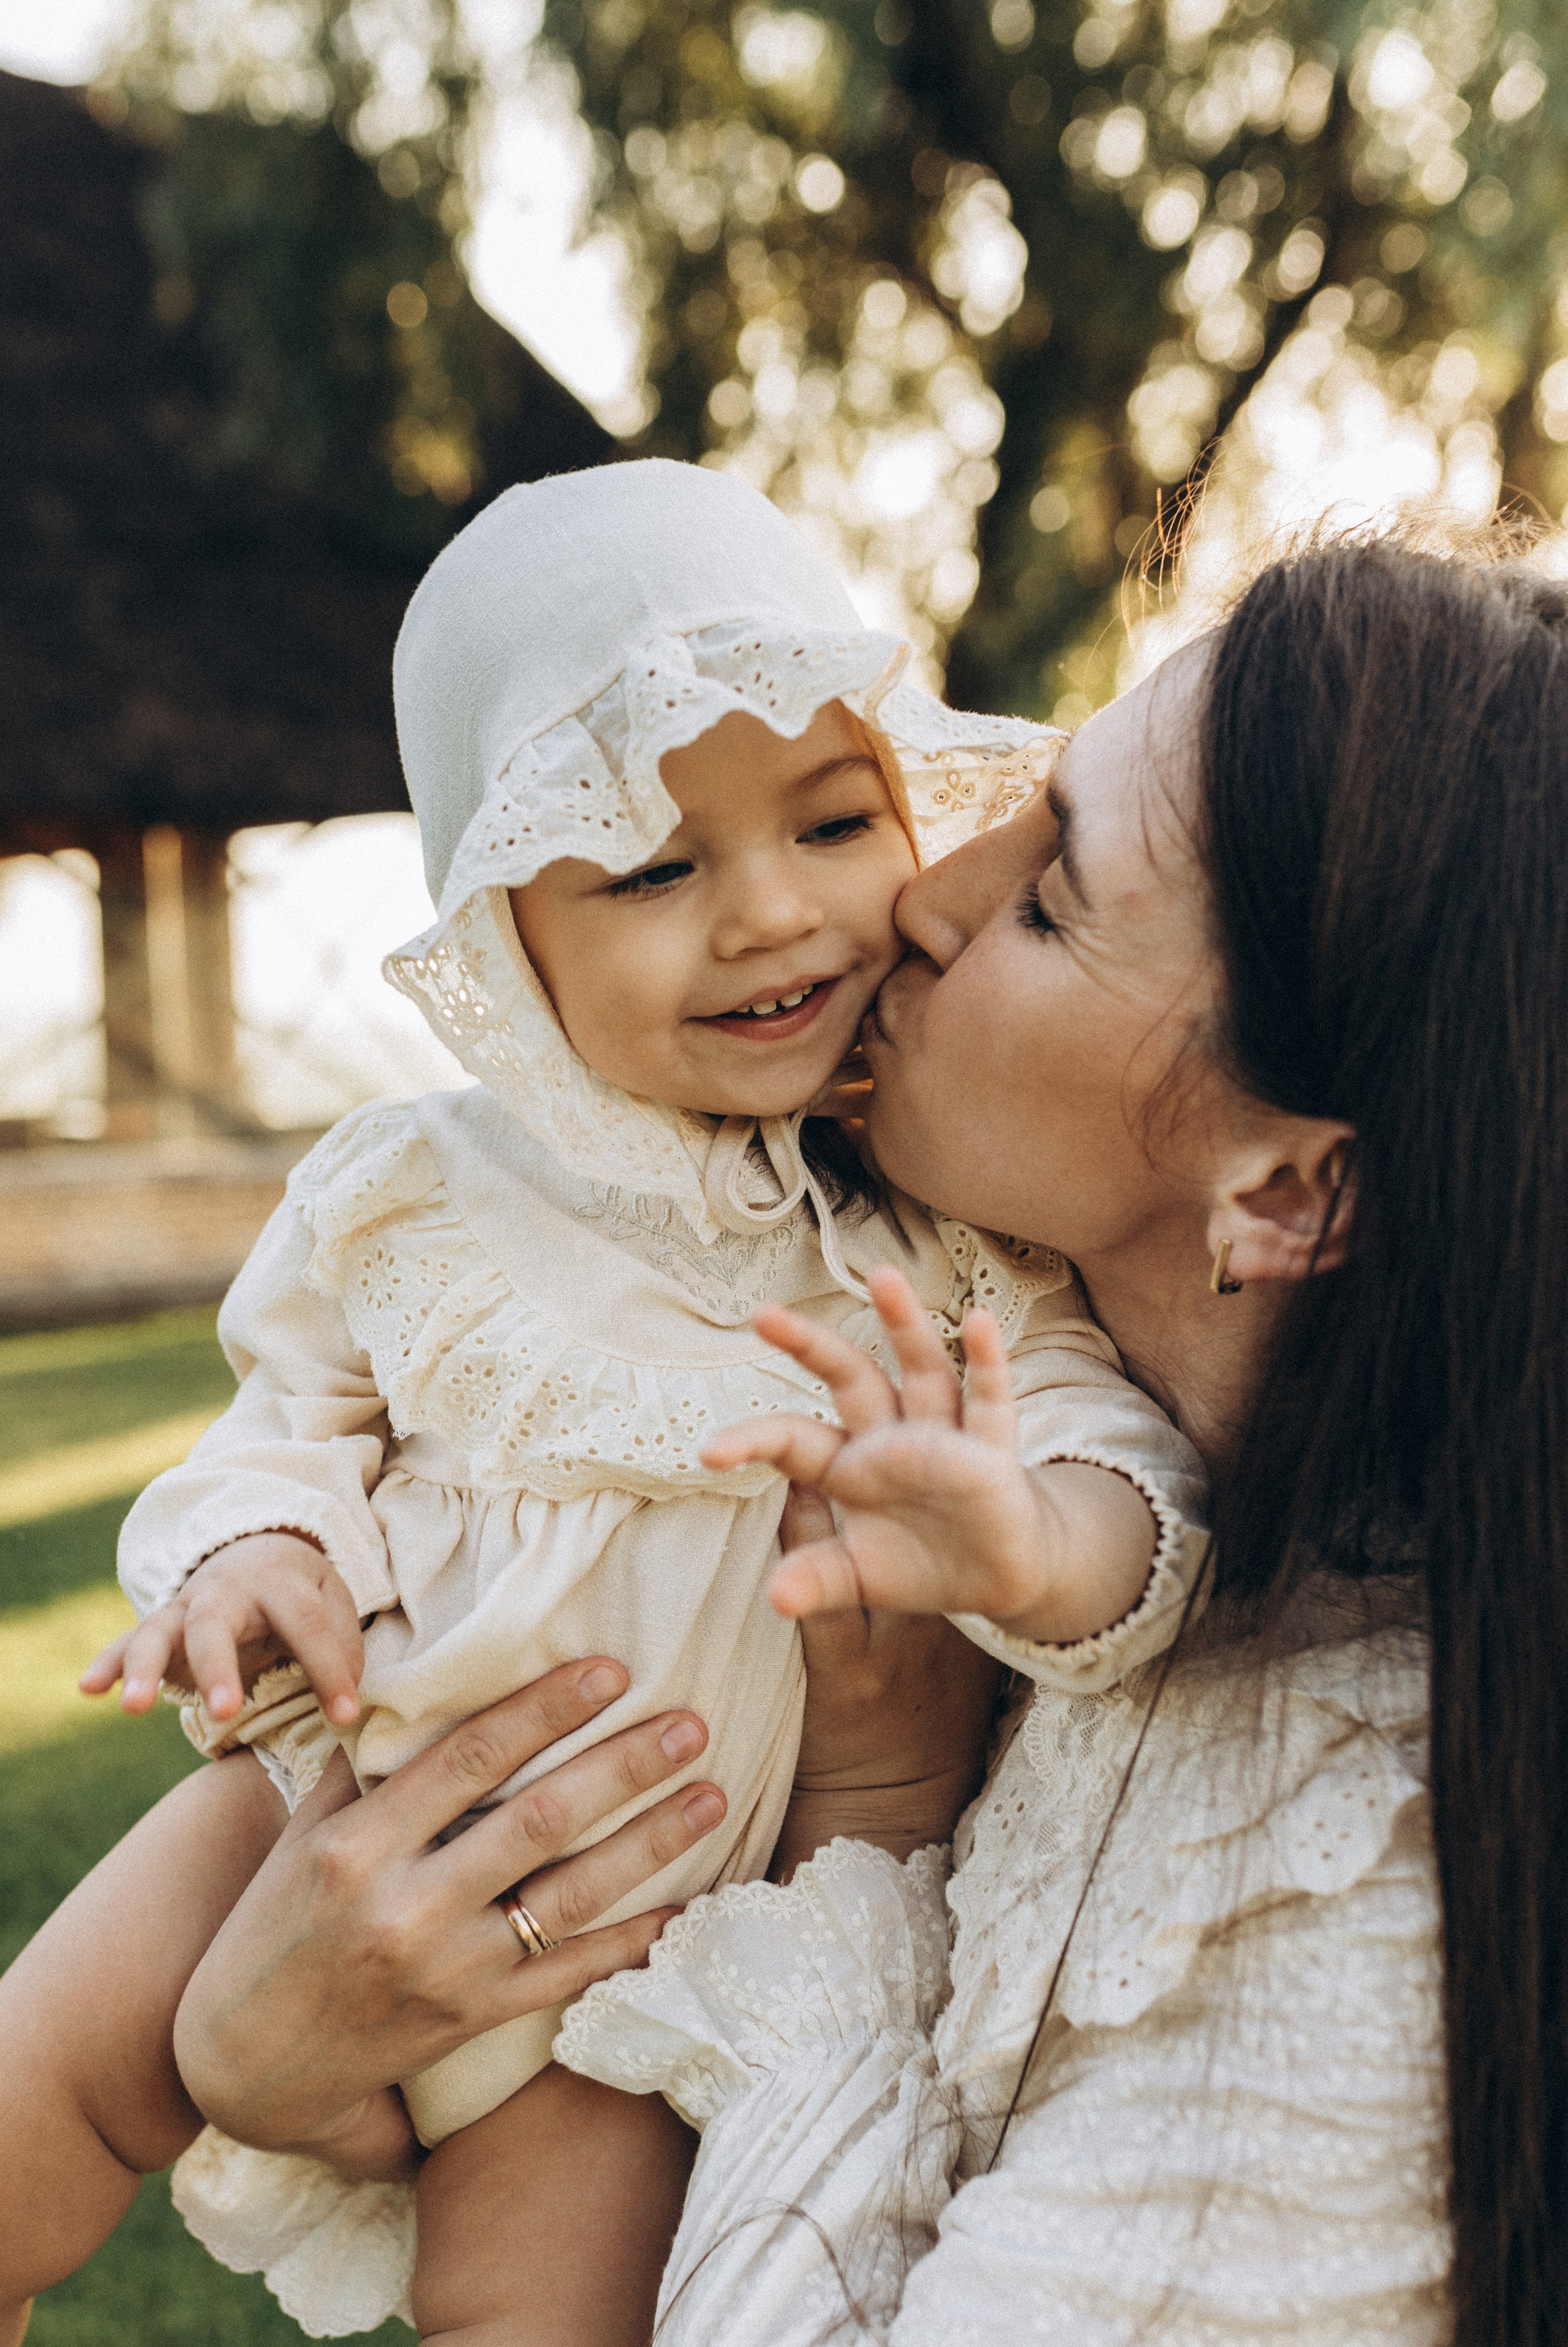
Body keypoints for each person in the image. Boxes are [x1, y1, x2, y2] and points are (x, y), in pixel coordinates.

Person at [157, 528, 1566, 2346]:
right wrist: (279, 2072)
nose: (919, 891)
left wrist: (876, 1821)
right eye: (1021, 803)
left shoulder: (1325, 1912)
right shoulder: (891, 1342)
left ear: (1287, 1193)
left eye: (1053, 896)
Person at [0, 461, 1209, 2346]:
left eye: (830, 825)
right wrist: (254, 1553)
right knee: (33, 2092)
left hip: (640, 1944)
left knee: (536, 2303)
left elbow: (1095, 1442)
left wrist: (1034, 1540)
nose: (767, 915)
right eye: (651, 866)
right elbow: (287, 1413)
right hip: (317, 1798)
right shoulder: (419, 1188)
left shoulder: (943, 1222)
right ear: (508, 941)